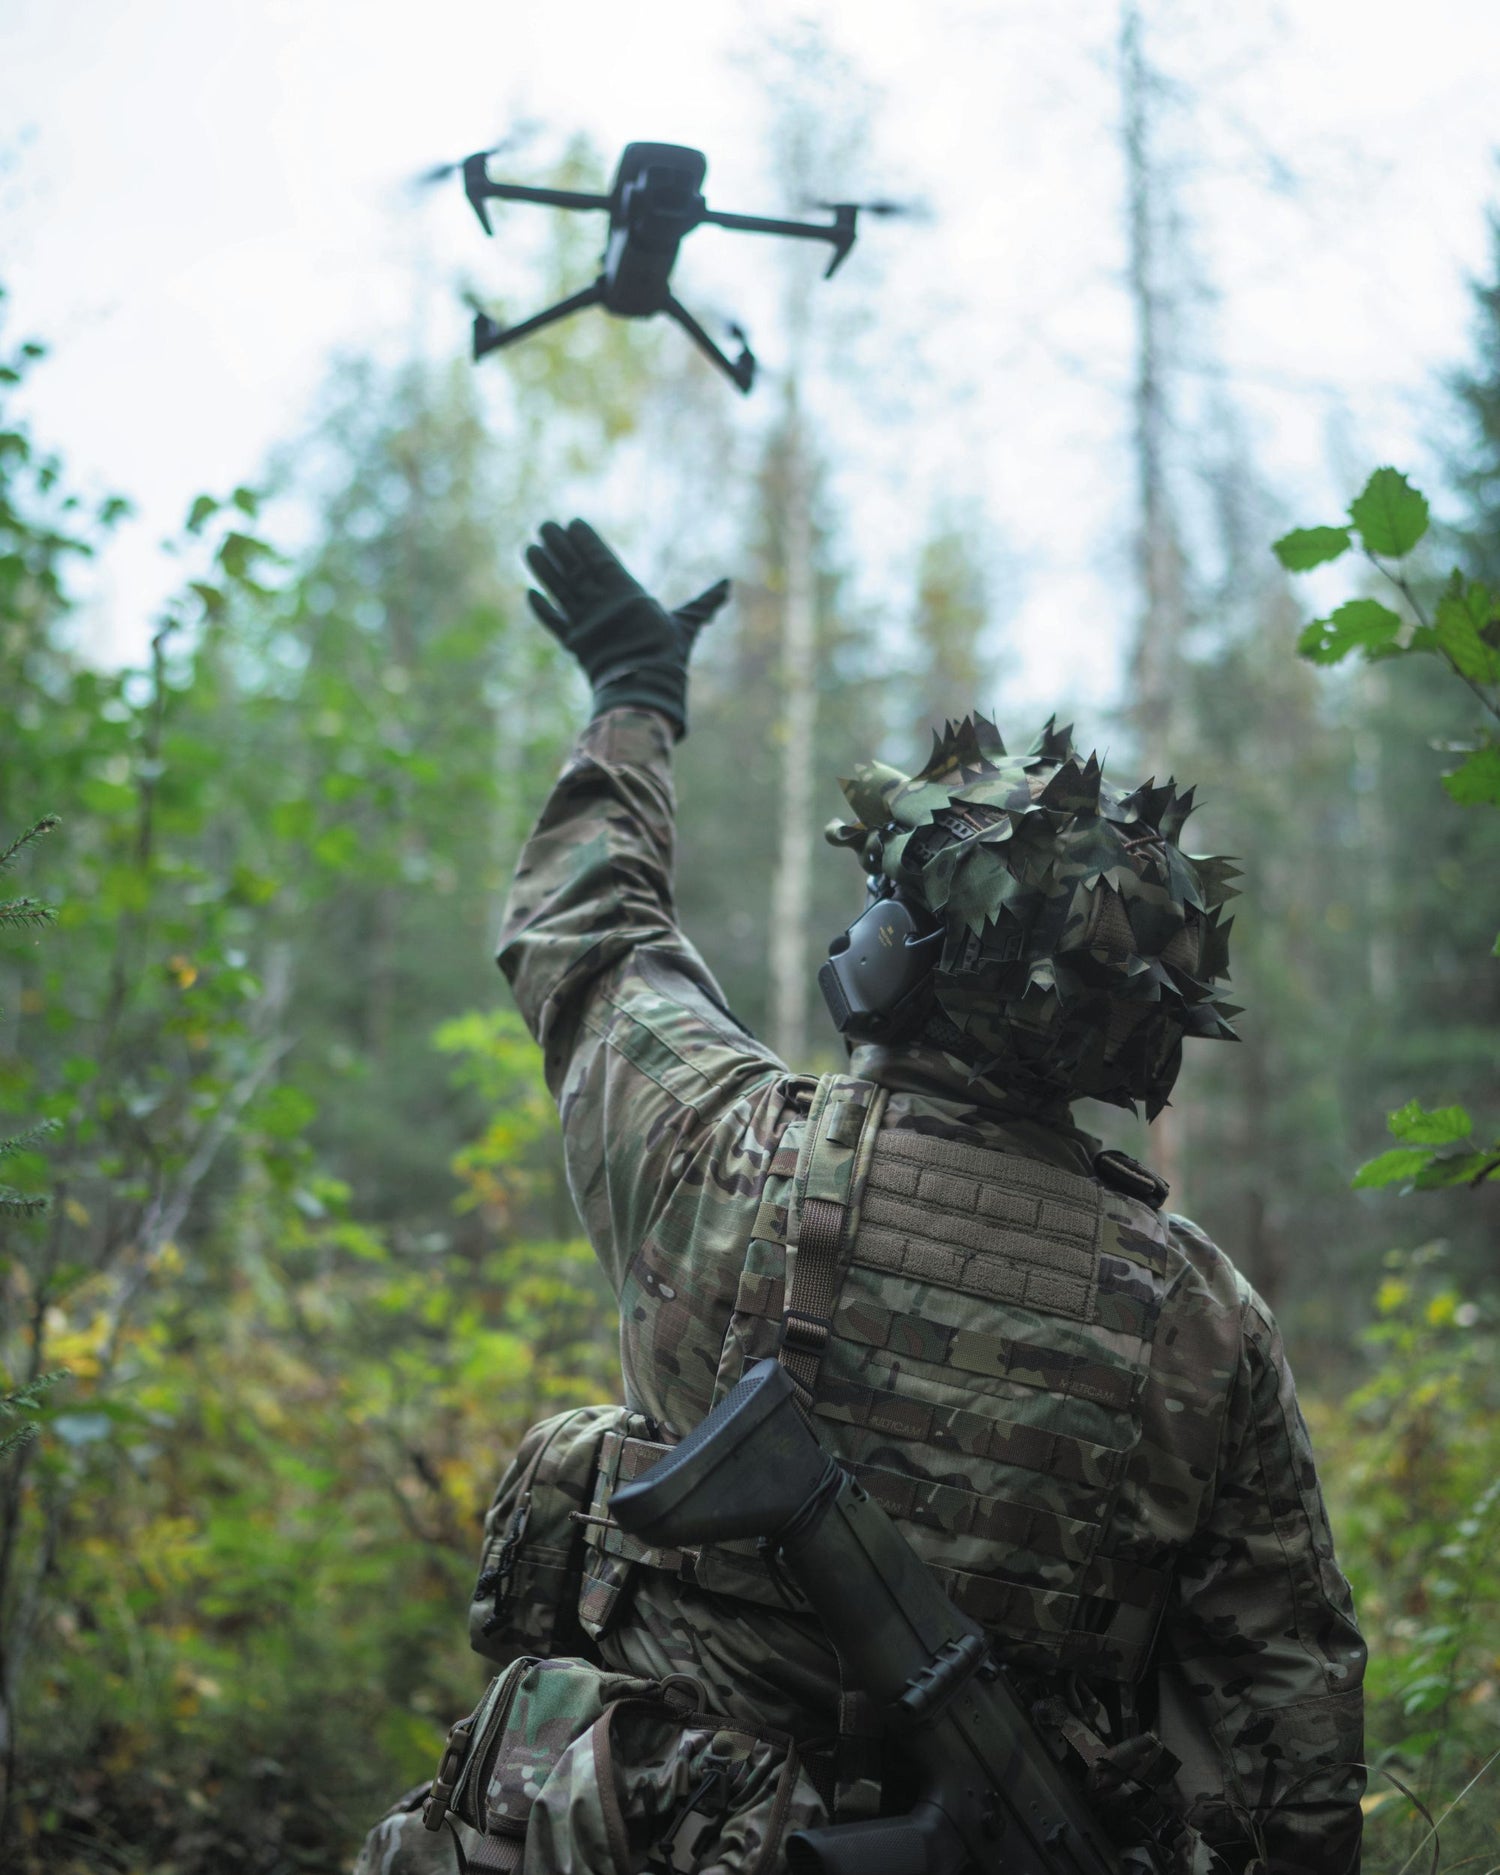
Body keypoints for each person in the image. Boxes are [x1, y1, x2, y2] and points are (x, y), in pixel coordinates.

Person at [373, 518, 1366, 1875]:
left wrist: (635, 697)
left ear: (900, 962)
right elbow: (1287, 1714)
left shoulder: (721, 1145)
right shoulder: (1200, 1315)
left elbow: (588, 931)